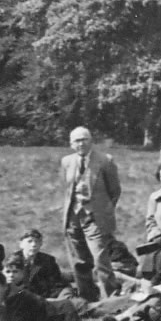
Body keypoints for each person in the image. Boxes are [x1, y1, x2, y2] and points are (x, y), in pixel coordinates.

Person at [61, 126, 122, 301]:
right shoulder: (66, 161)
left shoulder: (105, 160)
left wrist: (102, 210)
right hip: (73, 216)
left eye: (84, 139)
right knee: (79, 260)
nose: (81, 144)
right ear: (71, 144)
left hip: (95, 217)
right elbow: (67, 189)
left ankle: (111, 299)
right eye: (76, 141)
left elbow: (115, 190)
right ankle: (87, 299)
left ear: (91, 141)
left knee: (100, 259)